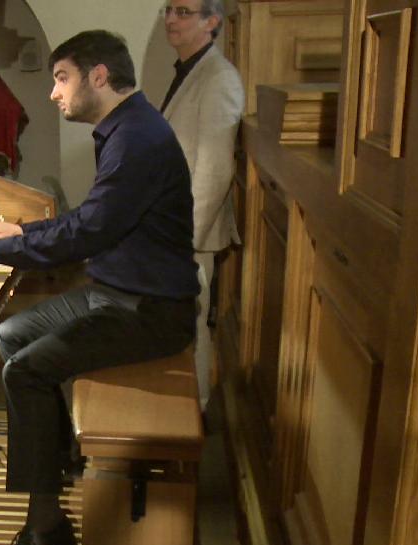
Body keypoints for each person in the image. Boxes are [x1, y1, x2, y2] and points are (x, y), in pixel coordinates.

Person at [0, 30, 199, 545]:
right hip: (117, 292)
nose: (52, 93)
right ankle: (55, 471)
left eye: (61, 78)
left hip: (150, 311)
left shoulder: (137, 139)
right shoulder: (127, 127)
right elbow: (94, 215)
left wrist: (3, 248)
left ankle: (44, 524)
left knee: (25, 373)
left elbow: (88, 232)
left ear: (99, 77)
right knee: (13, 336)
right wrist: (23, 228)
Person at [161, 0, 245, 410]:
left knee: (192, 324)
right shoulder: (189, 70)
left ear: (212, 22)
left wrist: (183, 240)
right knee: (175, 323)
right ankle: (175, 412)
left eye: (183, 11)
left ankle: (193, 414)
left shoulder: (220, 78)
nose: (171, 19)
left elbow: (215, 170)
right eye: (169, 10)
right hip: (172, 229)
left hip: (189, 233)